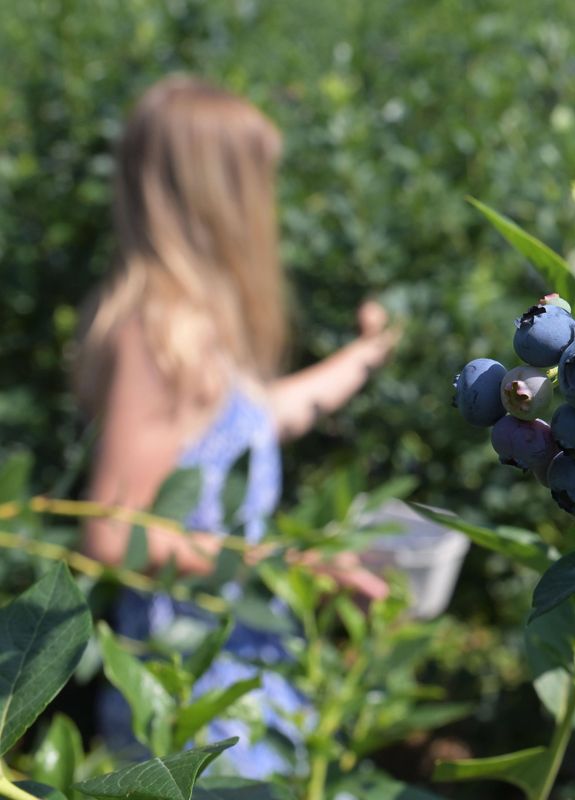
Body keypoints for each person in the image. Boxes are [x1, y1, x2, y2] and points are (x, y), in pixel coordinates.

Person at [73, 75, 398, 777]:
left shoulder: (187, 326)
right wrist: (291, 569)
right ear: (221, 196)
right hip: (193, 682)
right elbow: (110, 529)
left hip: (229, 660)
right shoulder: (160, 333)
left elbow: (256, 417)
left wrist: (363, 358)